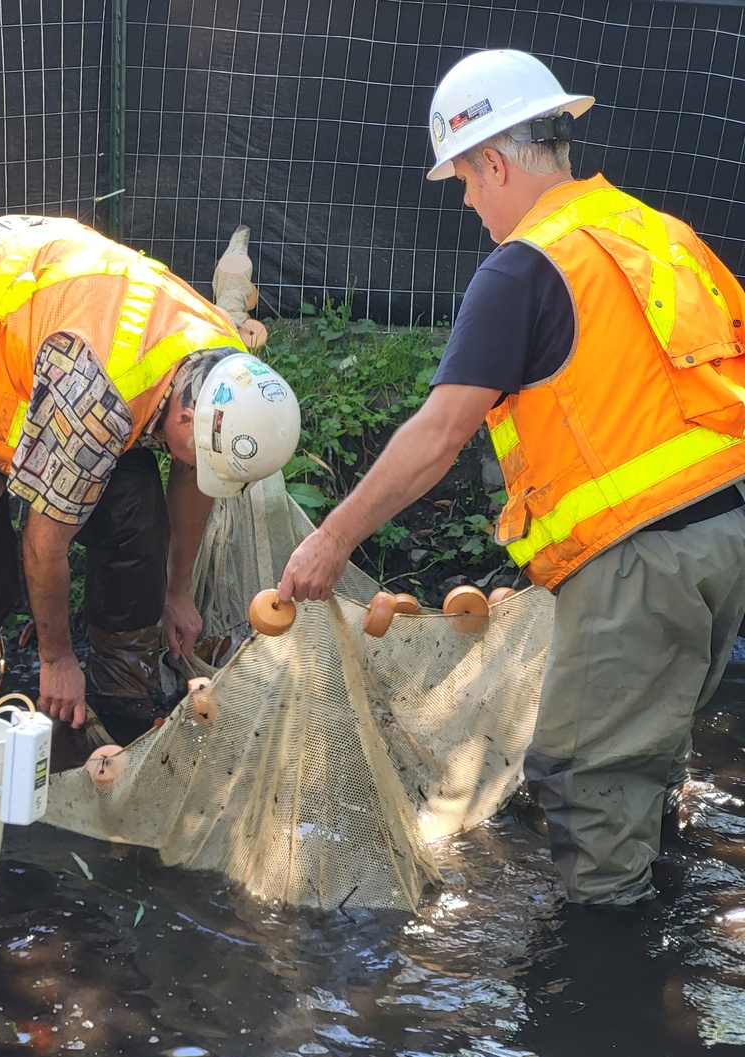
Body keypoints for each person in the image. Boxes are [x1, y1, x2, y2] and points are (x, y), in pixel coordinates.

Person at [279, 49, 745, 909]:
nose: (465, 202)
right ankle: (663, 909)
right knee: (651, 760)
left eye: (463, 178)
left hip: (640, 556)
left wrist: (331, 539)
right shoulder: (659, 234)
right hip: (726, 541)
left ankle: (612, 1013)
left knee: (583, 780)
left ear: (493, 159)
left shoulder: (526, 265)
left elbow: (439, 435)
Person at [0, 215, 301, 742]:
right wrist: (57, 657)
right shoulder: (98, 401)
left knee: (134, 512)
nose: (201, 470)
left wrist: (176, 592)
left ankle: (122, 692)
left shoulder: (224, 367)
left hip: (55, 303)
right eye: (205, 459)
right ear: (184, 418)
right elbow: (44, 544)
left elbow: (192, 476)